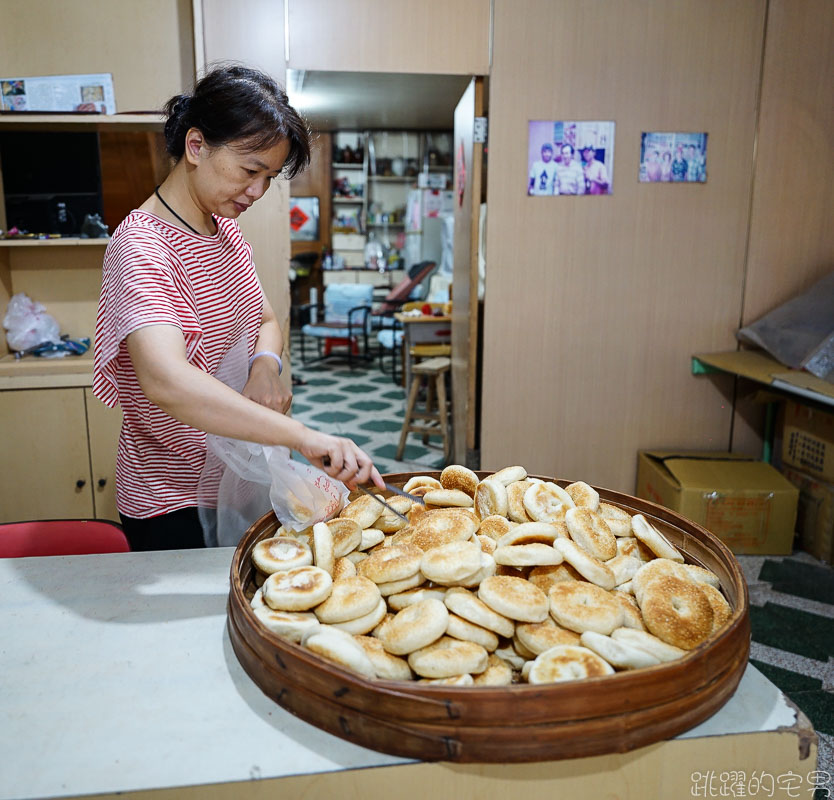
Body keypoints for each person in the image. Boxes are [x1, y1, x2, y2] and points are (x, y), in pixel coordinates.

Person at [93, 64, 384, 551]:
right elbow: (167, 379)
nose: (257, 192)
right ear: (195, 146)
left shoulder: (222, 231)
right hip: (173, 495)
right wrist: (300, 436)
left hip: (234, 474)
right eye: (250, 171)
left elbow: (265, 319)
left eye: (268, 177)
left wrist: (265, 367)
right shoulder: (141, 247)